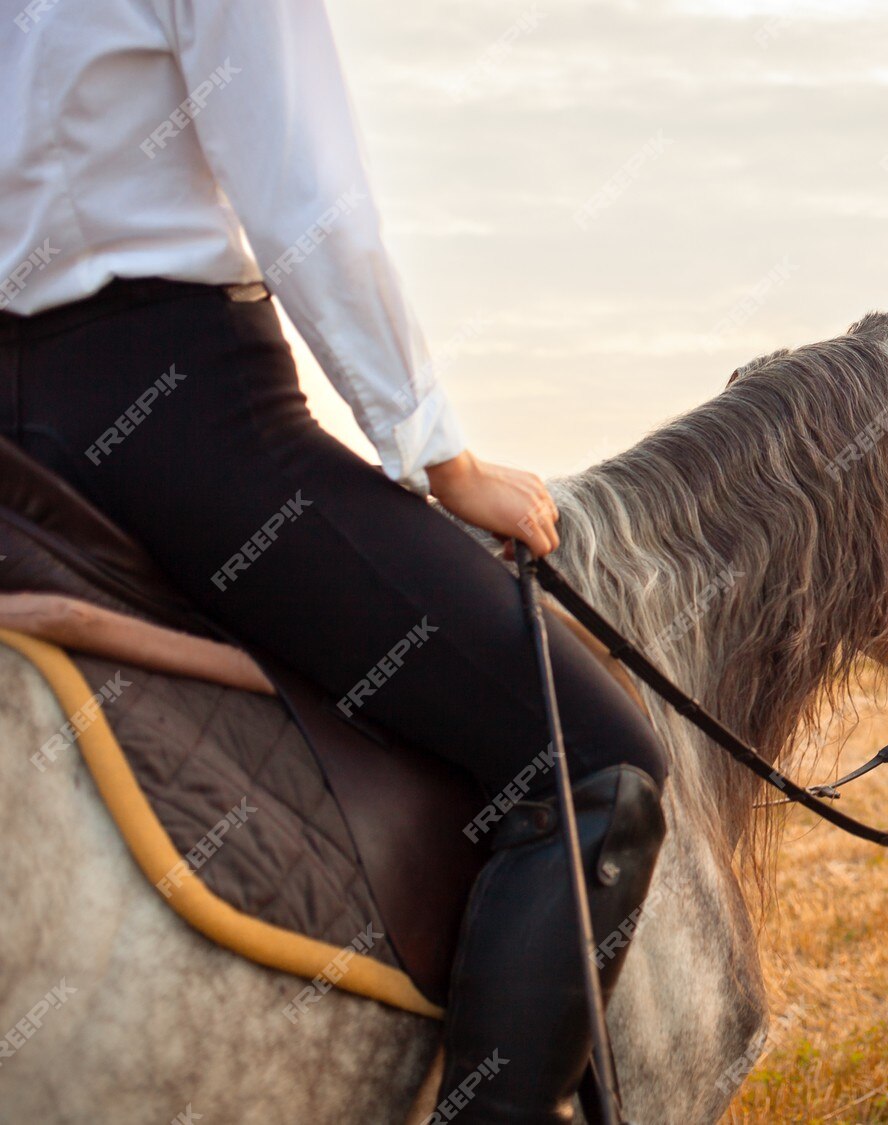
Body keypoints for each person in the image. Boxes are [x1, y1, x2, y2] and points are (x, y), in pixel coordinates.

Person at [1, 1, 668, 1120]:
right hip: (182, 424)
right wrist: (439, 457)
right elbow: (309, 204)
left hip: (20, 449)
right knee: (592, 764)